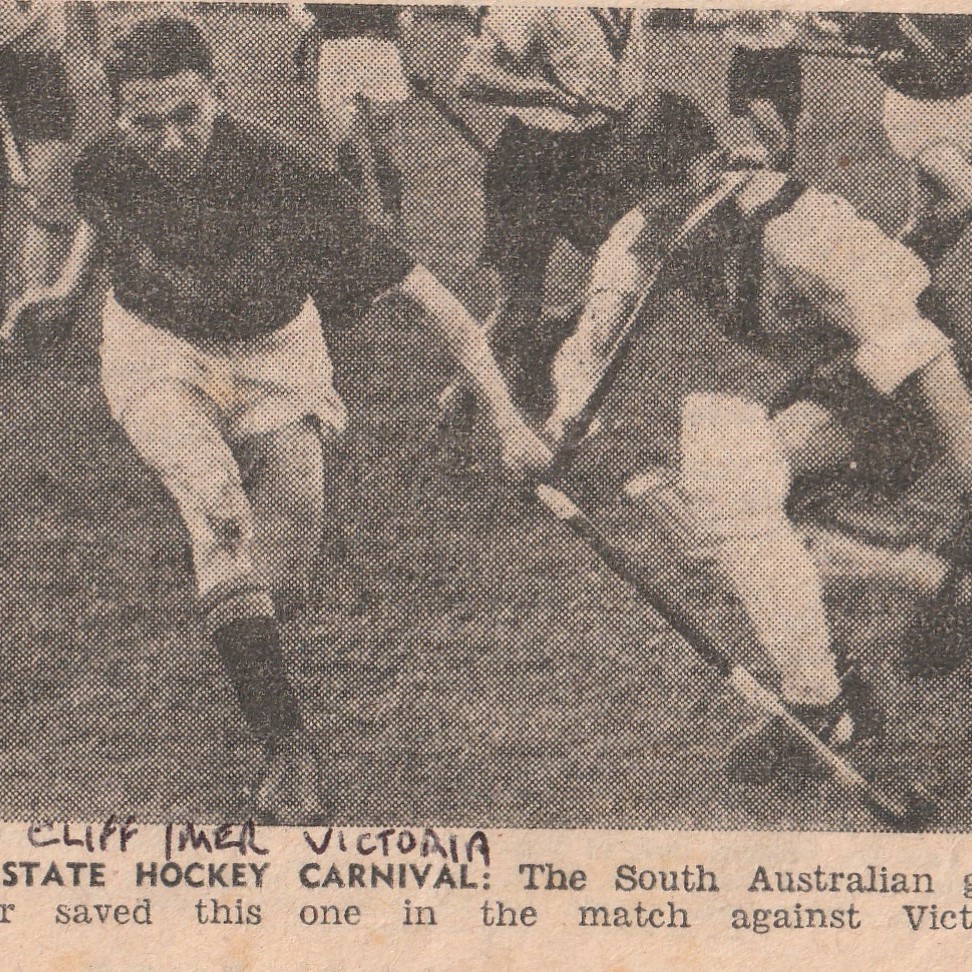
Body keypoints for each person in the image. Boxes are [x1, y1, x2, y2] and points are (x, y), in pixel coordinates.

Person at [9, 16, 551, 822]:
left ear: (220, 95)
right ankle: (287, 750)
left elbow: (434, 300)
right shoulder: (104, 164)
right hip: (156, 347)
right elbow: (105, 219)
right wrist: (65, 289)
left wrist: (510, 421)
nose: (166, 140)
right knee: (218, 504)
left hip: (275, 352)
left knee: (280, 582)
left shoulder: (287, 174)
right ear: (117, 115)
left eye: (185, 116)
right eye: (142, 121)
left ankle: (235, 606)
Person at [545, 131, 972, 780]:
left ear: (708, 165)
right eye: (646, 204)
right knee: (694, 509)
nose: (659, 217)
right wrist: (566, 413)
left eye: (669, 197)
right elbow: (599, 327)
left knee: (734, 488)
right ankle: (861, 660)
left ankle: (840, 685)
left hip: (919, 375)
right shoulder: (647, 228)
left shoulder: (797, 232)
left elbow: (925, 351)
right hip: (840, 377)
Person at [453, 6, 667, 419]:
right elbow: (471, 77)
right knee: (517, 310)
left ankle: (547, 341)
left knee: (644, 275)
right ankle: (457, 410)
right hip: (530, 159)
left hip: (598, 156)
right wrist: (549, 94)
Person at [290, 3, 410, 232]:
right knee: (343, 142)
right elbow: (297, 8)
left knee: (384, 143)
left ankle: (392, 214)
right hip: (335, 50)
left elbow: (405, 13)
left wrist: (399, 23)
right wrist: (310, 29)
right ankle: (357, 216)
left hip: (379, 49)